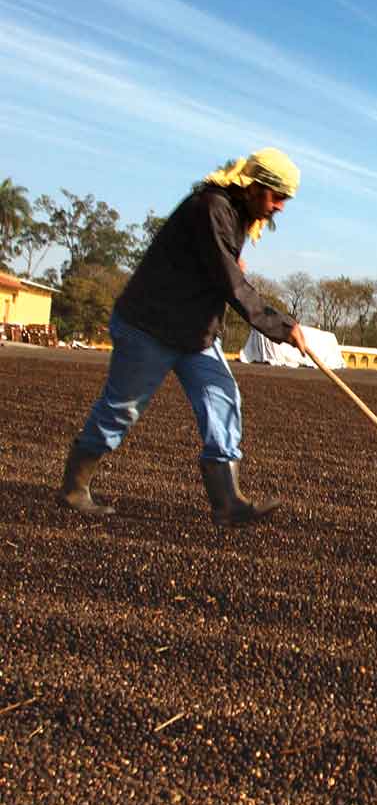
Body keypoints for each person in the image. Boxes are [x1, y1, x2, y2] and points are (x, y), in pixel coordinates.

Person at [59, 149, 309, 524]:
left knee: (223, 400)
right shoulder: (210, 207)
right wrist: (283, 328)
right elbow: (232, 284)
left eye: (285, 198)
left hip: (196, 334)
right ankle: (74, 488)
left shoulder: (237, 216)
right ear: (252, 186)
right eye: (276, 196)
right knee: (120, 410)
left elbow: (221, 267)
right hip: (150, 326)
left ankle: (228, 503)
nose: (280, 207)